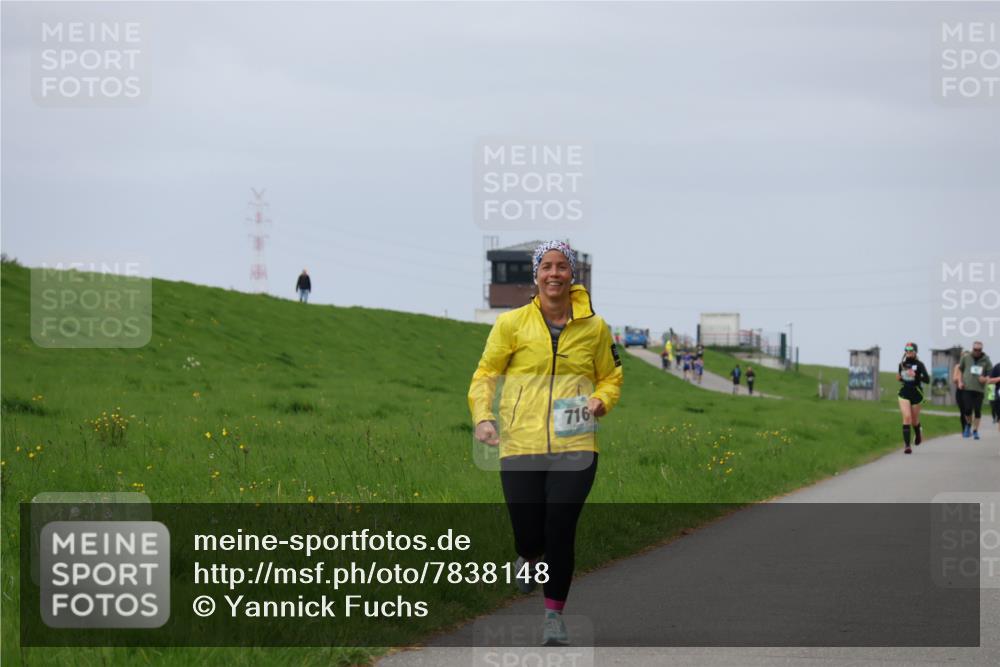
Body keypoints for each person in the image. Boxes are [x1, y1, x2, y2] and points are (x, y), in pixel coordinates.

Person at [468, 240, 623, 647]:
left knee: (560, 528)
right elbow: (485, 374)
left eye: (561, 266)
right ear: (535, 276)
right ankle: (526, 555)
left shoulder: (596, 327)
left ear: (572, 274)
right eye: (546, 267)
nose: (554, 273)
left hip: (576, 443)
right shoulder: (511, 325)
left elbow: (611, 377)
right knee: (529, 533)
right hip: (521, 443)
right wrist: (483, 417)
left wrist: (599, 401)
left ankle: (554, 617)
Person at [953, 341, 992, 440]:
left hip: (979, 389)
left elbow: (990, 373)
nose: (977, 352)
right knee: (967, 409)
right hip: (967, 388)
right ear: (972, 349)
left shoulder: (986, 360)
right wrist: (960, 382)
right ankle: (968, 425)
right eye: (975, 349)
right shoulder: (966, 357)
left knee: (978, 410)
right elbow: (961, 370)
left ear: (981, 350)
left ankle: (975, 431)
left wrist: (985, 378)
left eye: (979, 350)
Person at [896, 342, 930, 454]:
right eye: (906, 350)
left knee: (914, 421)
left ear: (915, 351)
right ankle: (907, 446)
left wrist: (917, 376)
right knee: (907, 417)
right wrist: (899, 378)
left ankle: (918, 433)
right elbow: (902, 379)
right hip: (905, 392)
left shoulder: (919, 364)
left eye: (911, 350)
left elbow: (927, 380)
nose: (908, 352)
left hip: (916, 393)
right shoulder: (902, 364)